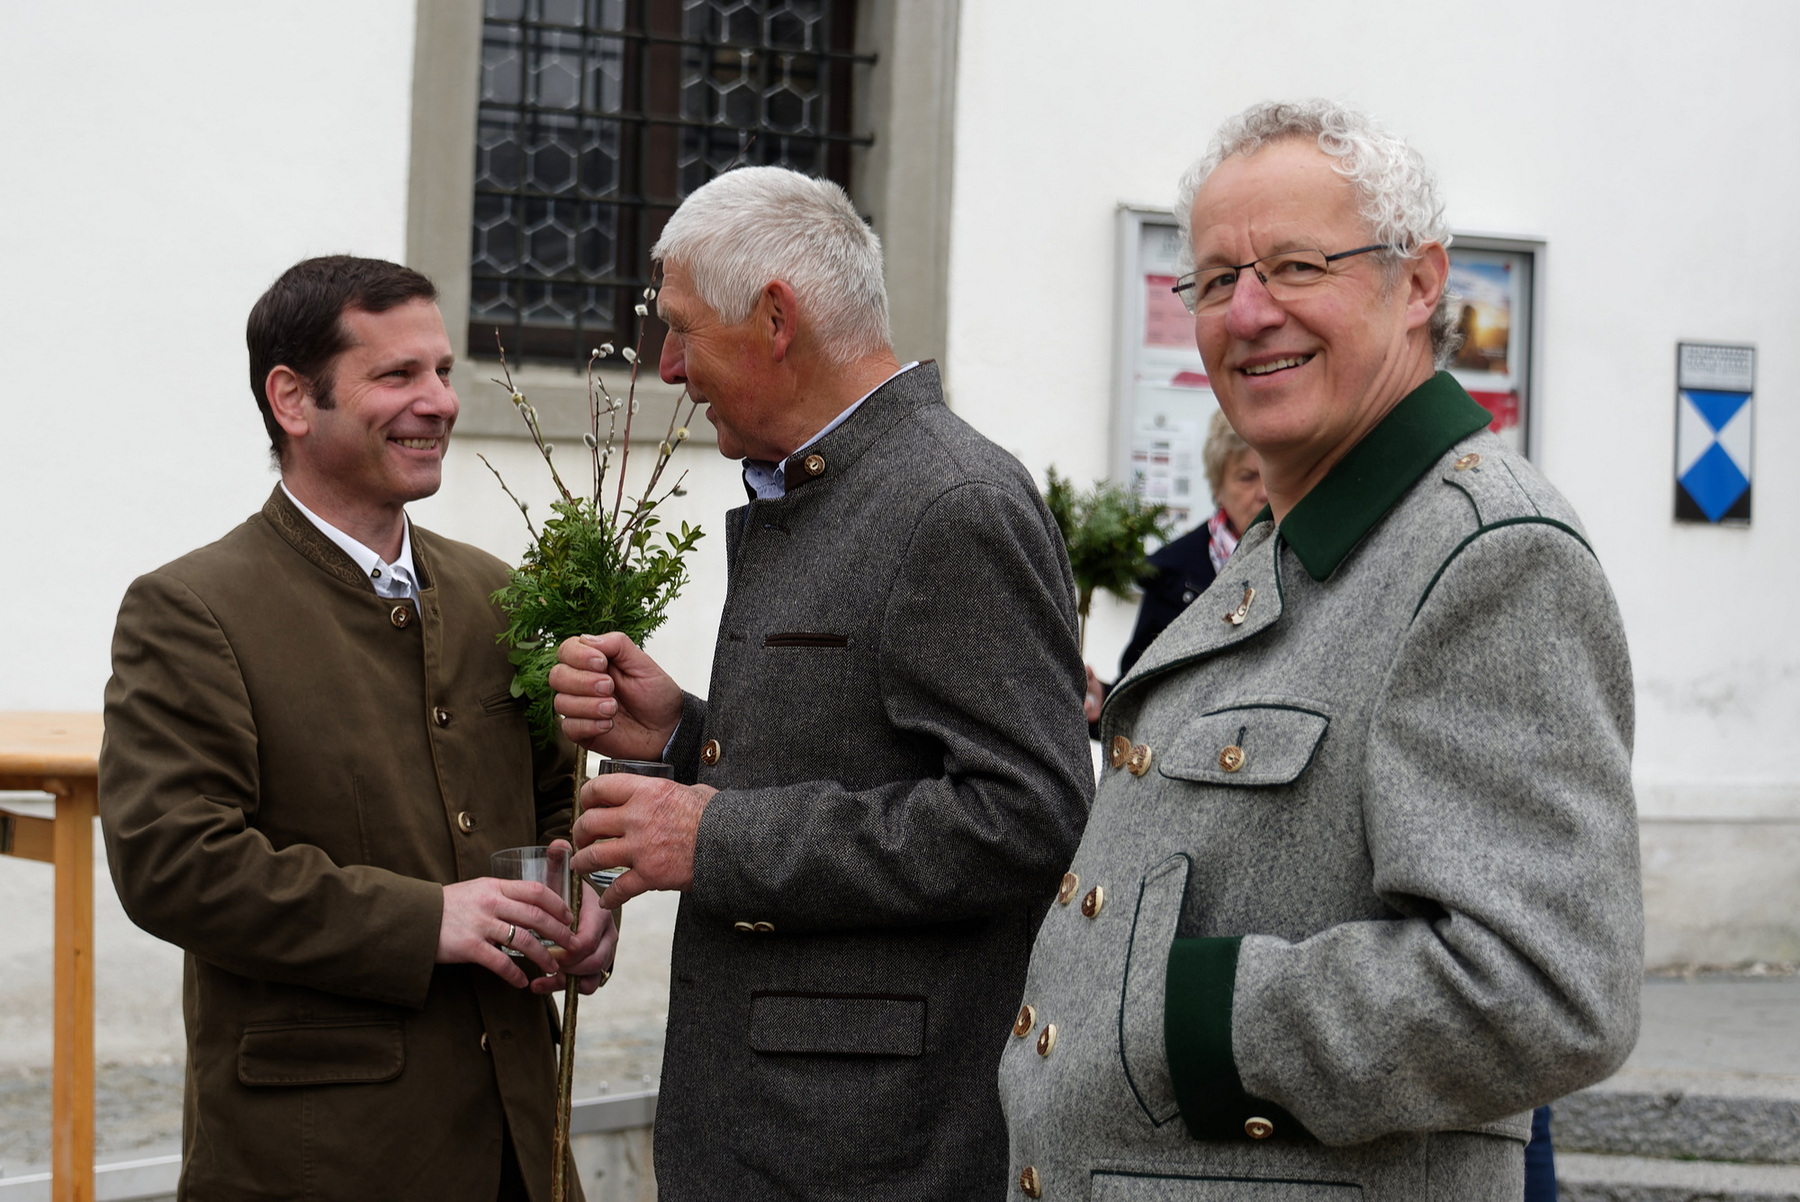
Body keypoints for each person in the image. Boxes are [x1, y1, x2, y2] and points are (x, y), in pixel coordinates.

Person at [1000, 100, 1641, 1200]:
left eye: (1297, 266)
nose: (1249, 313)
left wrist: (1197, 1017)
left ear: (1420, 283)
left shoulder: (1489, 553)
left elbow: (1547, 988)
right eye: (1215, 279)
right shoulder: (1293, 543)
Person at [546, 166, 1093, 1200]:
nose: (669, 367)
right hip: (782, 1131)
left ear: (775, 318)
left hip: (869, 1150)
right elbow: (863, 754)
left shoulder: (952, 502)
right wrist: (678, 734)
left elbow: (1031, 816)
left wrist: (716, 838)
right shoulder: (829, 481)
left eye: (681, 329)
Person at [100, 255, 617, 1201]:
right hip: (320, 1158)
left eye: (444, 371)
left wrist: (586, 901)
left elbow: (554, 800)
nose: (441, 401)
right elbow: (172, 862)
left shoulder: (497, 592)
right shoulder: (191, 609)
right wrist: (428, 919)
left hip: (519, 1146)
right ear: (293, 400)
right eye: (398, 374)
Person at [1083, 411, 1266, 725]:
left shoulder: (1307, 556)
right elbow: (1141, 690)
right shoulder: (1171, 572)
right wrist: (1103, 701)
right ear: (1218, 487)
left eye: (1272, 475)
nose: (1263, 492)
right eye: (1247, 477)